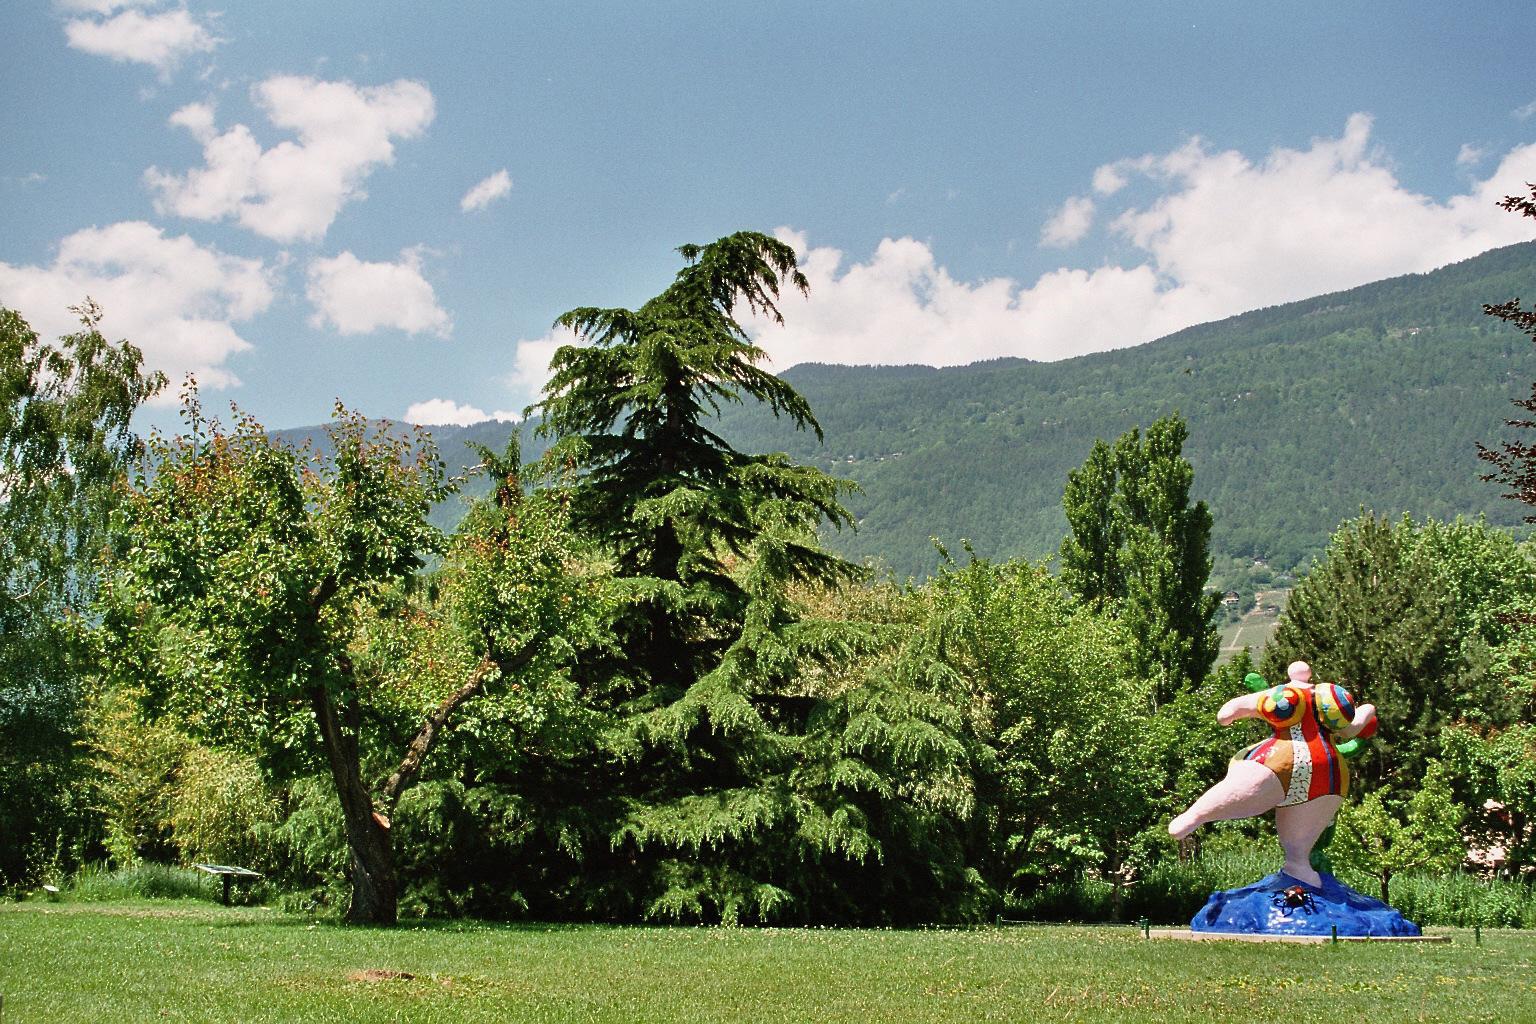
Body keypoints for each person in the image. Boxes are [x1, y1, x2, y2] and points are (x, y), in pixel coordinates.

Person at [1168, 660, 1377, 887]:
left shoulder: (1280, 694)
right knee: (1298, 847)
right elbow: (1352, 728)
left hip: (1280, 758)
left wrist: (1229, 717)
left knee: (1245, 786)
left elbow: (1228, 712)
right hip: (1328, 771)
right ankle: (1298, 865)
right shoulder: (1330, 698)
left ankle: (1197, 815)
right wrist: (1368, 711)